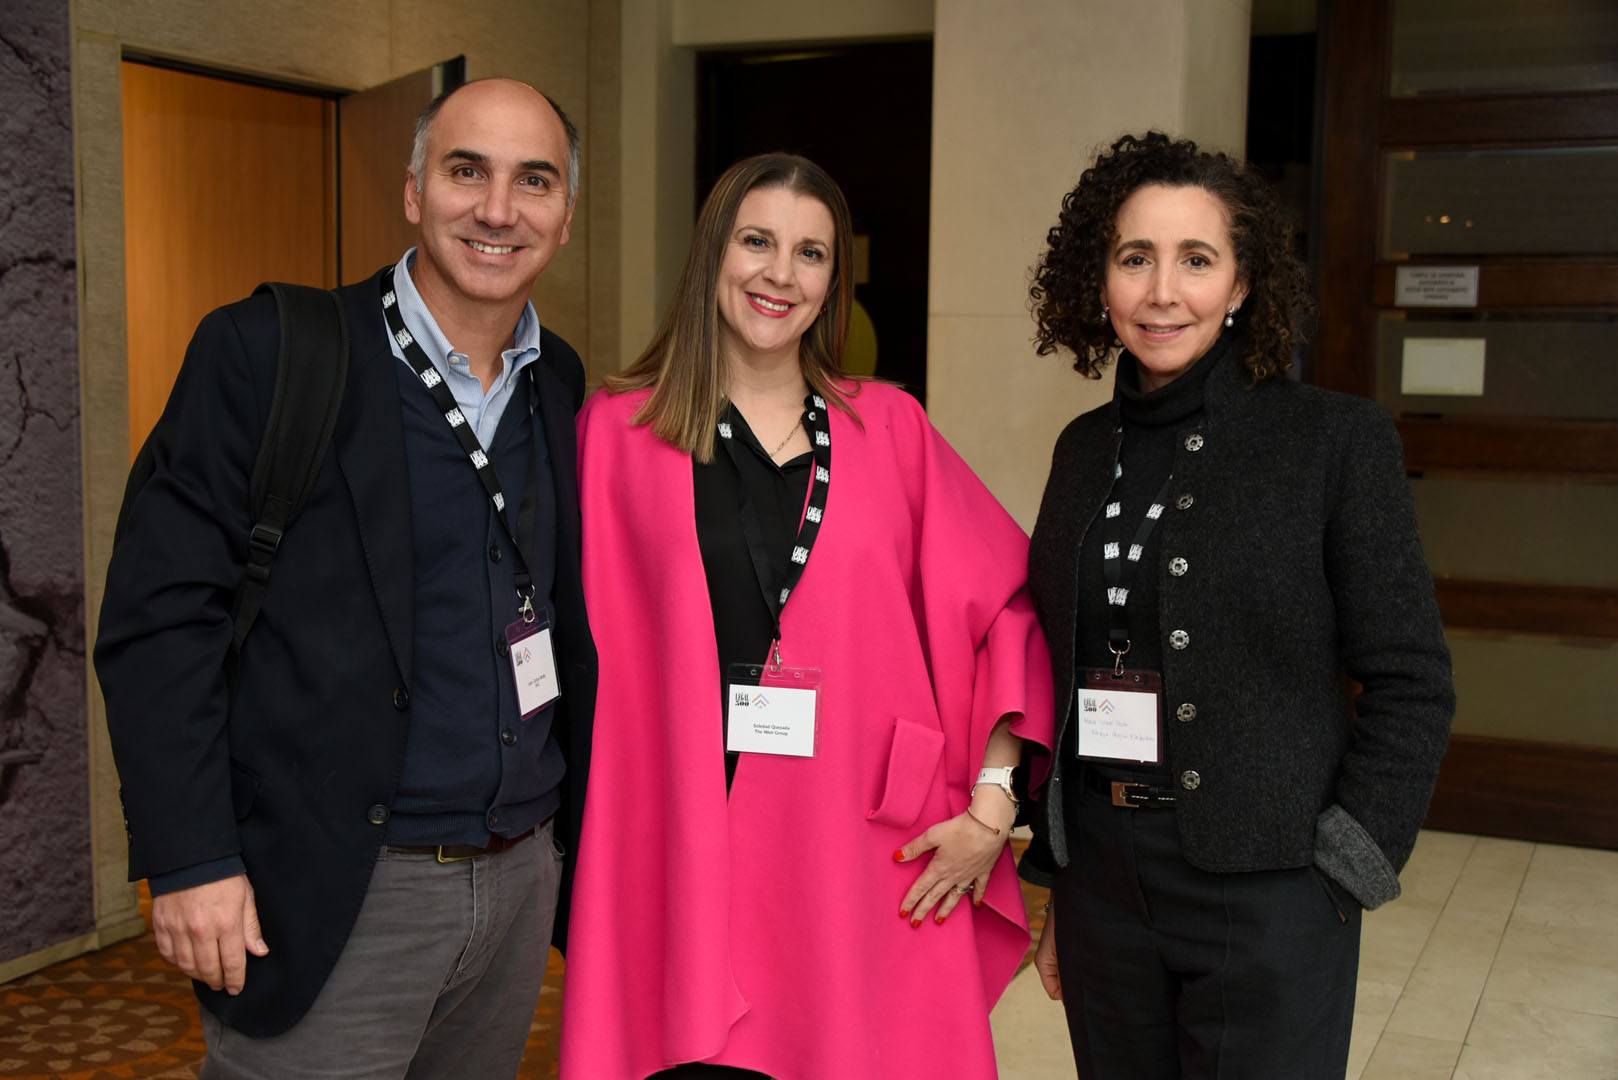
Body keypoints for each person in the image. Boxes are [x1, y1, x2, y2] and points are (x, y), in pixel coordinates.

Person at [95, 78, 597, 1078]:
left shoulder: (560, 382)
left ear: (566, 215)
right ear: (413, 190)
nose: (498, 209)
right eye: (467, 171)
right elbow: (160, 620)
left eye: (533, 181)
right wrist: (190, 858)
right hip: (335, 887)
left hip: (516, 879)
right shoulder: (269, 353)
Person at [559, 153, 1054, 1079]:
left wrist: (994, 805)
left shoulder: (889, 427)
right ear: (713, 254)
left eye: (811, 253)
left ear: (835, 282)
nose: (780, 274)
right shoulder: (617, 433)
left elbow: (1008, 608)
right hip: (678, 839)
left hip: (857, 850)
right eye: (757, 241)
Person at [1018, 132, 1455, 1079]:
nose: (1162, 291)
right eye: (1135, 258)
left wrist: (1345, 865)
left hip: (1270, 890)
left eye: (1196, 259)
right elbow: (1059, 668)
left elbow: (1412, 677)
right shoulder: (1082, 449)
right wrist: (1054, 871)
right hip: (1104, 883)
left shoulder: (1332, 441)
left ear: (1242, 284)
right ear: (1100, 279)